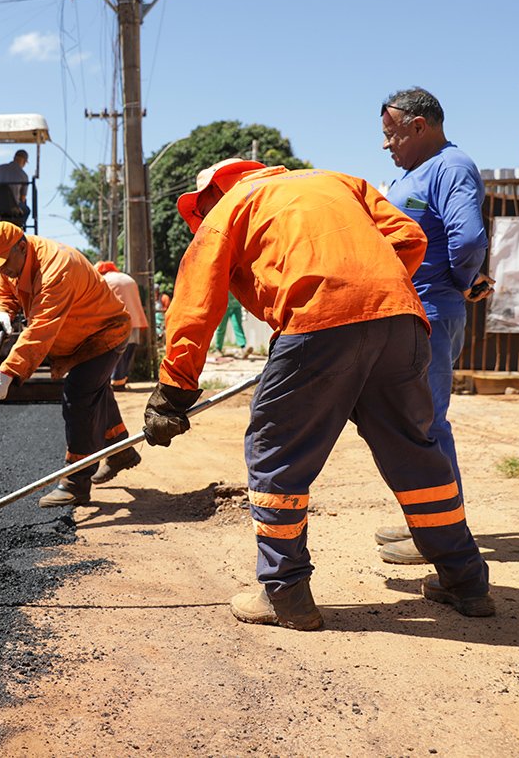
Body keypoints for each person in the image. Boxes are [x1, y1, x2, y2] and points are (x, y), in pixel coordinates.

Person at [143, 158, 493, 630]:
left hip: (319, 324)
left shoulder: (230, 209)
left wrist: (173, 392)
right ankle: (466, 580)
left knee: (277, 454)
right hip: (402, 321)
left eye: (201, 205)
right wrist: (373, 294)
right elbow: (410, 237)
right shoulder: (338, 181)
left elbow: (194, 302)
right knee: (416, 454)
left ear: (214, 193)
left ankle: (284, 594)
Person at [376, 87, 494, 565]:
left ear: (418, 125)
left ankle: (443, 536)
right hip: (413, 310)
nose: (386, 145)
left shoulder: (450, 166)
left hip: (432, 311)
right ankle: (426, 522)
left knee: (428, 422)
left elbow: (467, 239)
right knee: (414, 421)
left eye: (391, 134)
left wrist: (464, 281)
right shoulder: (417, 172)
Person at [0, 222, 138, 505]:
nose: (2, 270)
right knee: (96, 389)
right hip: (75, 339)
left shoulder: (57, 268)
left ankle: (75, 481)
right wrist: (1, 311)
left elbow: (41, 329)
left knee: (79, 393)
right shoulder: (11, 263)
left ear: (22, 247)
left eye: (4, 263)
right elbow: (5, 291)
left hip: (103, 333)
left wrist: (6, 374)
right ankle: (121, 450)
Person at [95, 261, 149, 390]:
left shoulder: (104, 280)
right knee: (128, 349)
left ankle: (116, 382)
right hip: (134, 319)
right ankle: (121, 379)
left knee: (115, 351)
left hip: (116, 321)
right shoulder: (127, 278)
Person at [0, 149, 31, 225]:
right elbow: (23, 198)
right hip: (12, 208)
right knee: (27, 210)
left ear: (14, 158)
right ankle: (19, 229)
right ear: (24, 161)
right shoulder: (23, 175)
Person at [210, 293, 250, 357]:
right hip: (223, 305)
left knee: (238, 326)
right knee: (221, 328)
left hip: (236, 306)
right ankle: (218, 349)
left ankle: (243, 347)